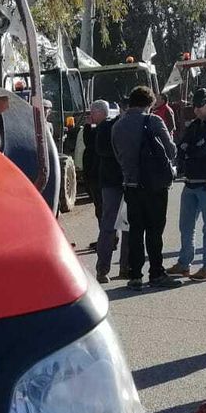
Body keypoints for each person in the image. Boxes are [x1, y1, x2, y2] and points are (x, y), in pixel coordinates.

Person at [113, 85, 182, 290]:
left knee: (135, 231)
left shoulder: (118, 125)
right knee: (154, 231)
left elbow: (118, 155)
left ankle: (135, 275)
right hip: (154, 185)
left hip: (131, 185)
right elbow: (171, 151)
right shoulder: (153, 121)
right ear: (150, 104)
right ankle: (156, 273)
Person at [171, 89, 206, 281]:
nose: (196, 111)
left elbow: (201, 150)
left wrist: (190, 150)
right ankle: (184, 263)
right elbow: (182, 145)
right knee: (185, 226)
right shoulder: (195, 125)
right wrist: (189, 149)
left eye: (200, 107)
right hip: (191, 181)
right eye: (194, 107)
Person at [82, 100, 124, 283]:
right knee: (114, 221)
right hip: (105, 179)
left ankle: (111, 265)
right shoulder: (105, 127)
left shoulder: (104, 128)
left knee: (108, 220)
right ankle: (122, 266)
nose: (91, 114)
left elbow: (93, 145)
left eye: (93, 112)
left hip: (105, 180)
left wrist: (87, 126)